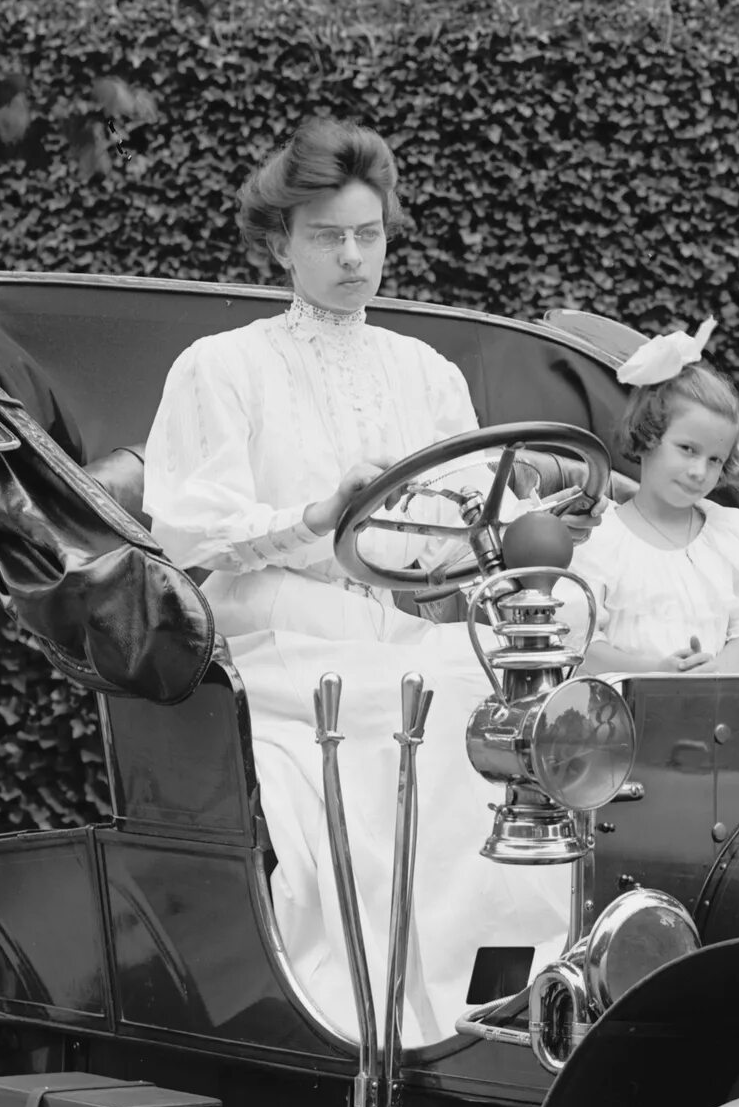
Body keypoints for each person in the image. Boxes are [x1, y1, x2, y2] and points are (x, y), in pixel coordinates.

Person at [140, 119, 573, 1051]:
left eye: (366, 235)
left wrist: (521, 513)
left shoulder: (428, 373)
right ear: (279, 245)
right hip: (272, 638)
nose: (350, 257)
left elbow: (465, 529)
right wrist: (314, 519)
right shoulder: (223, 368)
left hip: (402, 631)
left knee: (524, 702)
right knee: (429, 704)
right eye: (326, 236)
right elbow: (186, 529)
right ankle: (385, 1019)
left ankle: (502, 989)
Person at [579, 327, 739, 678]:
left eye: (715, 460)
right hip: (630, 698)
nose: (699, 471)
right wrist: (659, 672)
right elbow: (585, 648)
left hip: (716, 697)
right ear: (647, 437)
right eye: (687, 449)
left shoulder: (729, 537)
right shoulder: (600, 540)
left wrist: (717, 674)